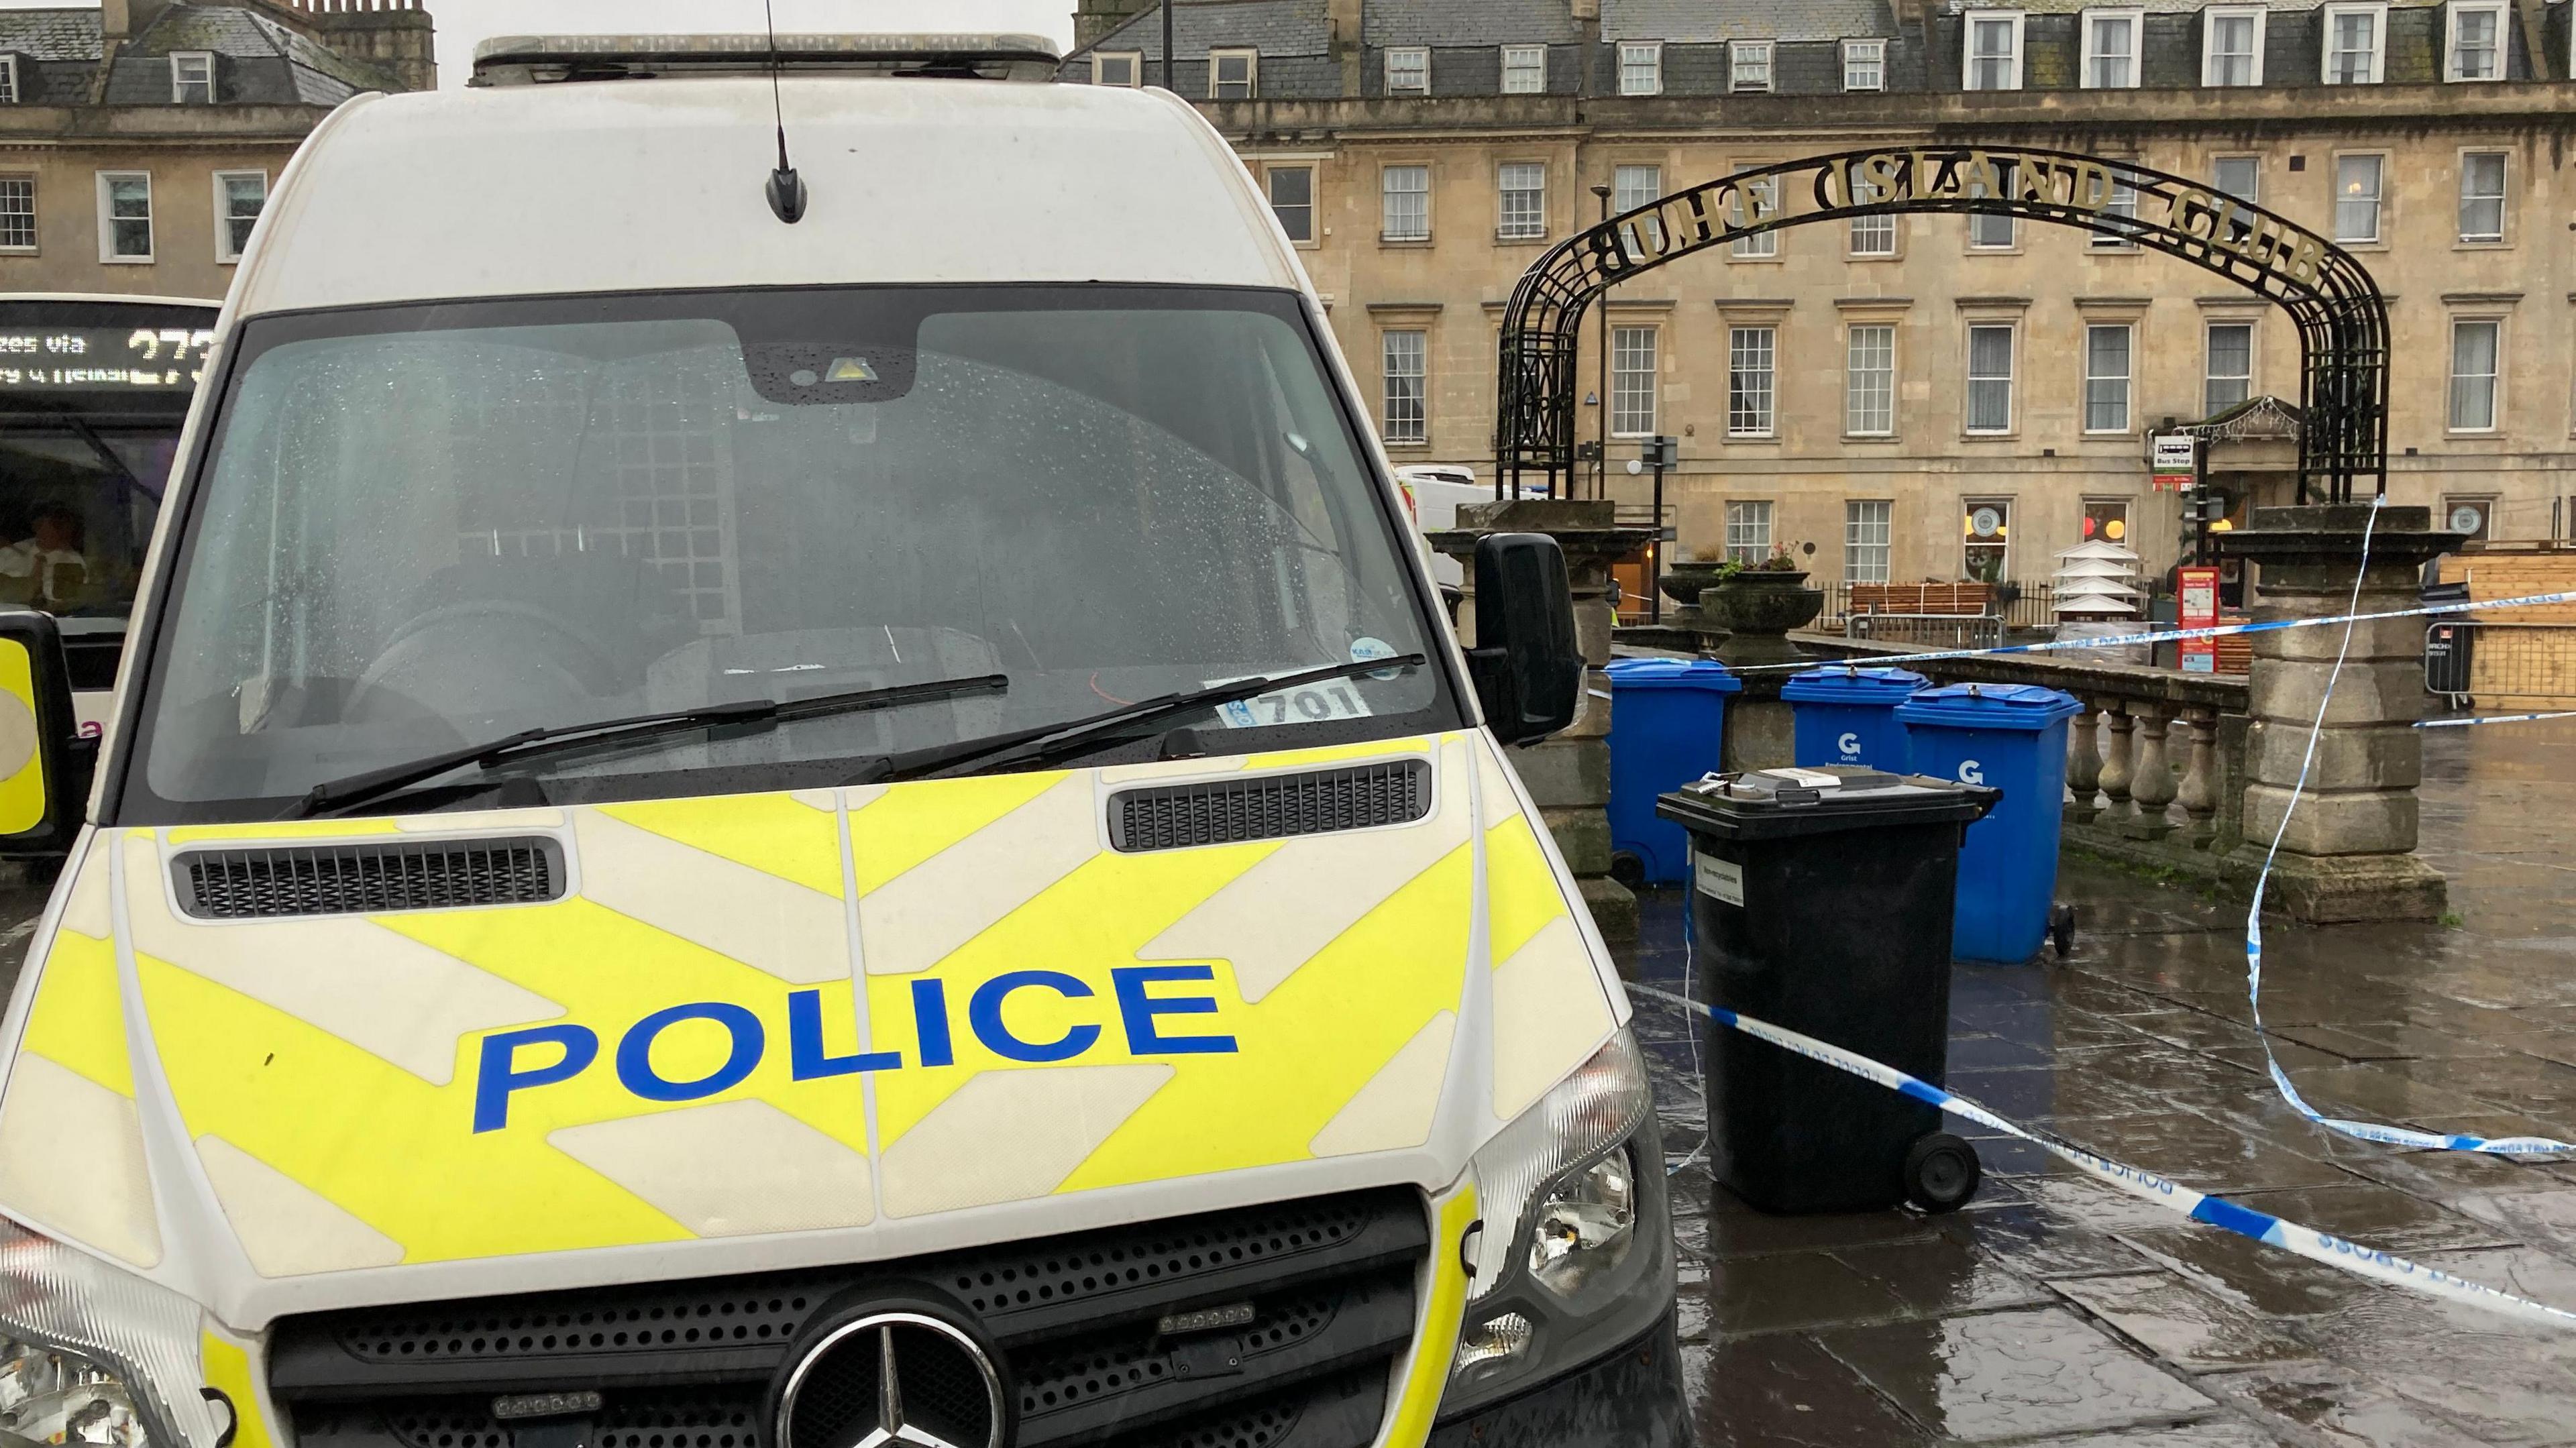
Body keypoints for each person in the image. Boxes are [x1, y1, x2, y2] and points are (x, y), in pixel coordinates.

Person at [0, 507, 91, 608]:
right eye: (41, 527)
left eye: (52, 529)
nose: (43, 533)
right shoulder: (10, 552)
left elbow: (70, 600)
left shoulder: (73, 562)